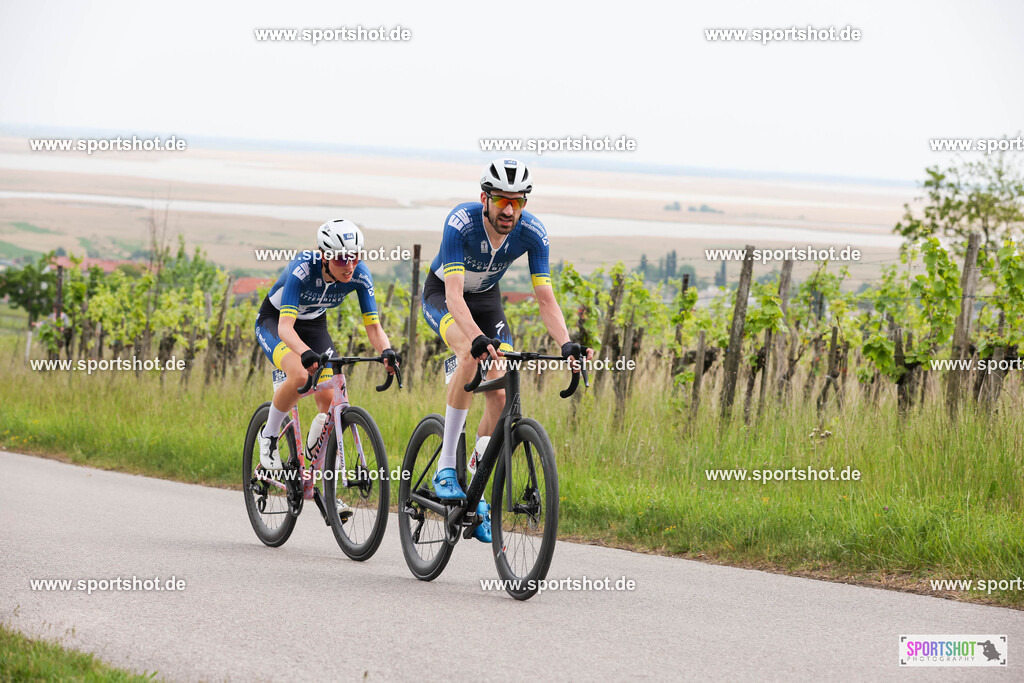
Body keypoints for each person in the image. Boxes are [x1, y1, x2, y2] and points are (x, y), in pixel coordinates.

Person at [421, 158, 593, 543]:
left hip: (486, 300)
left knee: (500, 388)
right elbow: (452, 295)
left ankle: (476, 484)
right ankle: (446, 466)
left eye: (519, 201)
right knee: (469, 353)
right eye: (502, 201)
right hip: (444, 296)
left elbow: (545, 299)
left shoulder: (532, 233)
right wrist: (476, 338)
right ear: (485, 198)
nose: (510, 210)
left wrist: (566, 345)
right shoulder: (460, 222)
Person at [254, 220, 399, 516]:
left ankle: (316, 468)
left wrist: (385, 350)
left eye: (355, 256)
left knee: (332, 395)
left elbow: (374, 327)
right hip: (277, 322)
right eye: (342, 259)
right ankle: (268, 437)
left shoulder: (359, 274)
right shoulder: (302, 270)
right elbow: (285, 327)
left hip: (315, 324)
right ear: (324, 255)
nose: (350, 265)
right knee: (297, 373)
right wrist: (305, 354)